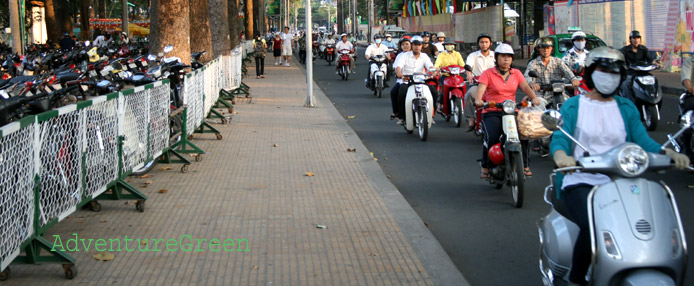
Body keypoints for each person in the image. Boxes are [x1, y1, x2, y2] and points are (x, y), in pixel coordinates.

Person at [550, 46, 690, 286]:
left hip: (622, 181)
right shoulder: (574, 105)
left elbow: (642, 141)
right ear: (591, 73)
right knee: (591, 224)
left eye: (615, 71)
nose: (609, 76)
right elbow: (560, 137)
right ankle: (576, 278)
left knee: (652, 220)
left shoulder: (626, 108)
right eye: (603, 70)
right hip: (581, 180)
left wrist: (667, 152)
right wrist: (562, 156)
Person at [475, 44, 541, 178]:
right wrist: (479, 100)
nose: (506, 60)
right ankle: (486, 165)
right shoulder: (487, 73)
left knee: (524, 134)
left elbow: (525, 87)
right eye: (503, 56)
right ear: (497, 58)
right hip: (492, 110)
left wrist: (534, 97)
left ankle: (525, 164)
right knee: (492, 136)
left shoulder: (516, 73)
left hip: (511, 110)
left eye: (509, 57)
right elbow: (480, 91)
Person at [395, 36, 438, 122]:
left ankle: (431, 114)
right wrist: (400, 73)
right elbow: (398, 66)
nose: (417, 47)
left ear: (422, 46)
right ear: (412, 45)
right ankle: (402, 116)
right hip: (408, 81)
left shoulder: (424, 56)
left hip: (420, 81)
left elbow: (430, 66)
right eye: (415, 44)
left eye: (419, 45)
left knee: (434, 91)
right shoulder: (404, 56)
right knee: (401, 92)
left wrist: (433, 72)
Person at [524, 37, 580, 101]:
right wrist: (531, 83)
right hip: (540, 96)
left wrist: (573, 79)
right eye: (543, 48)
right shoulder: (533, 63)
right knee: (539, 105)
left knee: (569, 106)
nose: (545, 50)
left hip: (559, 94)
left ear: (551, 49)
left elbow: (567, 71)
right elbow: (526, 76)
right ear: (538, 49)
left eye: (548, 48)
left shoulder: (558, 61)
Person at [464, 33, 496, 131]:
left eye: (486, 42)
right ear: (478, 44)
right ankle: (471, 119)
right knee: (468, 95)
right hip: (477, 84)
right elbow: (468, 66)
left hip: (494, 86)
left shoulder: (495, 55)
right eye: (482, 42)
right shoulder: (473, 56)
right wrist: (469, 74)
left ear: (490, 43)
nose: (484, 44)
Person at [619, 30, 655, 100]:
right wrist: (624, 66)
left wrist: (656, 63)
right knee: (625, 83)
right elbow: (620, 58)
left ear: (640, 39)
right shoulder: (625, 50)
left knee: (653, 80)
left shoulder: (643, 49)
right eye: (634, 38)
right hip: (630, 73)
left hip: (642, 73)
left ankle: (651, 99)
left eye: (638, 38)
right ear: (630, 40)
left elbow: (650, 59)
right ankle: (629, 102)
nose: (636, 40)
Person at [434, 38, 465, 113]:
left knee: (462, 86)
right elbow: (437, 64)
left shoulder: (457, 54)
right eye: (447, 44)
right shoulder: (441, 55)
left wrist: (465, 68)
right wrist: (437, 68)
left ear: (454, 46)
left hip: (456, 76)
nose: (449, 46)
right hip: (445, 75)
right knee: (444, 90)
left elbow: (462, 64)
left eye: (451, 44)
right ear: (444, 46)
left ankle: (463, 105)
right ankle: (440, 105)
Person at [389, 37, 412, 123]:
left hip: (418, 80)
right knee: (394, 93)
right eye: (403, 44)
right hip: (404, 79)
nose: (405, 46)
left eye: (407, 44)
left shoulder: (420, 55)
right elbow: (396, 67)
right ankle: (398, 113)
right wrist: (399, 74)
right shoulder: (400, 55)